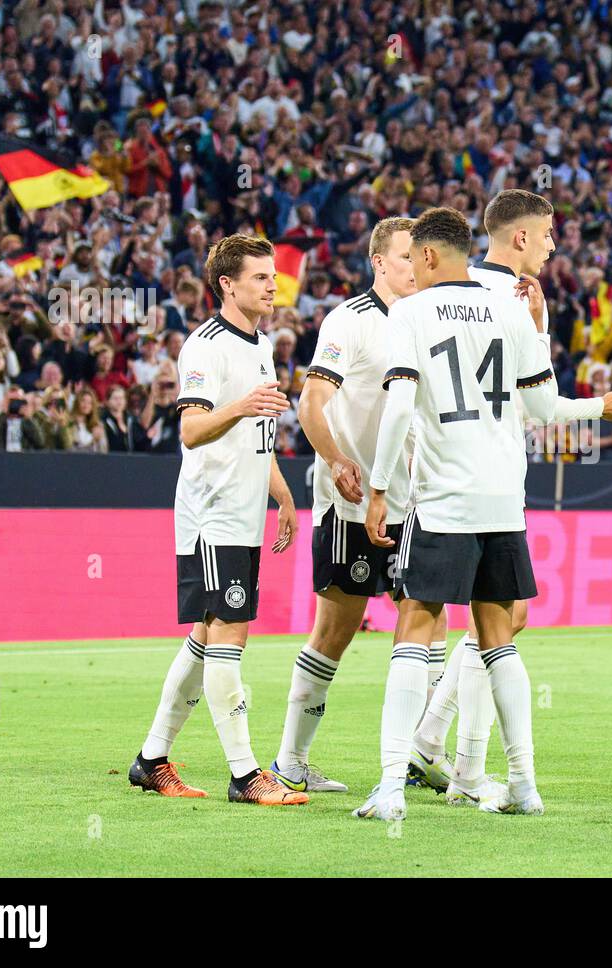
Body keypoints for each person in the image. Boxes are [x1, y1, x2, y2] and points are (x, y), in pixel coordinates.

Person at [409, 189, 612, 804]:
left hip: (471, 475)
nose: (552, 244)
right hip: (471, 479)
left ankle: (430, 750)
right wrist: (600, 404)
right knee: (489, 621)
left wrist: (542, 328)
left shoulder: (476, 296)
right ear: (519, 237)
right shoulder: (497, 301)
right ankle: (458, 765)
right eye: (547, 234)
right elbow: (537, 407)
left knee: (496, 620)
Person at [357, 207, 558, 821]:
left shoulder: (410, 312)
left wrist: (381, 488)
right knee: (499, 637)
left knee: (416, 627)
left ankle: (392, 783)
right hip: (503, 500)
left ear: (424, 257)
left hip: (443, 500)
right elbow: (545, 409)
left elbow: (397, 410)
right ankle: (523, 784)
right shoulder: (512, 308)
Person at [127, 234, 305, 807]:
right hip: (212, 515)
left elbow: (258, 435)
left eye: (272, 275)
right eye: (260, 277)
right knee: (230, 634)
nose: (272, 285)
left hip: (245, 510)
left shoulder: (260, 345)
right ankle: (247, 775)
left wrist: (280, 494)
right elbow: (192, 430)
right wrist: (243, 405)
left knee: (206, 636)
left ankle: (152, 759)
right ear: (227, 284)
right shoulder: (204, 347)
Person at [265, 217, 421, 796]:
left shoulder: (424, 322)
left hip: (414, 503)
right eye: (406, 257)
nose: (416, 266)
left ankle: (419, 754)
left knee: (427, 621)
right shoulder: (349, 320)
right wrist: (334, 460)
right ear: (380, 261)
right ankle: (290, 759)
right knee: (336, 628)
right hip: (350, 501)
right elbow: (312, 401)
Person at [102, 385, 150, 451]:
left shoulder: (131, 419)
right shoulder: (103, 420)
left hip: (130, 459)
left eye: (121, 398)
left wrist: (148, 437)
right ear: (107, 401)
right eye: (115, 398)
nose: (119, 401)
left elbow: (139, 443)